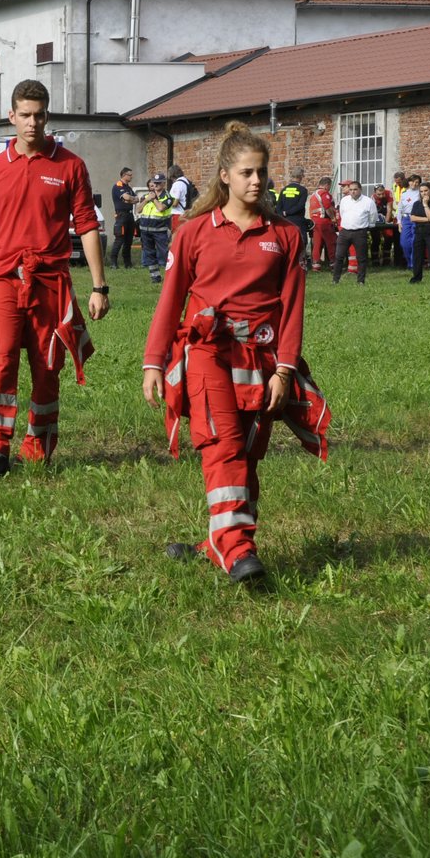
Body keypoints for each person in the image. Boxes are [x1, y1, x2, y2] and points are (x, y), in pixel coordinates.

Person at [142, 122, 329, 585]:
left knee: (246, 454)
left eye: (262, 172)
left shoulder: (286, 235)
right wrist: (153, 361)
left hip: (262, 362)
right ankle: (238, 549)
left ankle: (216, 543)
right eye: (246, 172)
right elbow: (171, 300)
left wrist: (285, 371)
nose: (257, 181)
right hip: (207, 352)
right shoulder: (192, 232)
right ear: (224, 175)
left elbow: (292, 310)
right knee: (221, 444)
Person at [0, 79, 109, 474]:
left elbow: (88, 225)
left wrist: (99, 286)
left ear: (47, 117)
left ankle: (38, 446)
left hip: (50, 282)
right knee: (2, 359)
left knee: (47, 366)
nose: (32, 123)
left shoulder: (70, 165)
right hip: (4, 278)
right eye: (24, 115)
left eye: (39, 115)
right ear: (11, 116)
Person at [332, 179, 375, 285]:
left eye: (355, 189)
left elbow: (373, 217)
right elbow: (342, 214)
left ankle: (360, 280)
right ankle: (335, 280)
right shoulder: (344, 200)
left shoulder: (368, 201)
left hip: (360, 232)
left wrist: (365, 227)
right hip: (345, 231)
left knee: (361, 258)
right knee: (339, 256)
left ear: (360, 190)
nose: (353, 192)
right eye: (351, 190)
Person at [136, 173, 173, 284]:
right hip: (145, 230)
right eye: (154, 182)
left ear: (163, 183)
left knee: (165, 254)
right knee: (149, 254)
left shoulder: (168, 197)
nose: (155, 185)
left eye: (158, 183)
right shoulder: (147, 196)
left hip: (160, 231)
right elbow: (138, 209)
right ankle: (155, 277)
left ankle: (171, 277)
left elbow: (161, 208)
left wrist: (154, 199)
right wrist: (147, 200)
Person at [409, 180, 430, 283]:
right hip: (419, 231)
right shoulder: (416, 204)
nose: (424, 193)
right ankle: (416, 278)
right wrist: (429, 219)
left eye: (426, 190)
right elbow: (413, 218)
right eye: (421, 191)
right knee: (417, 256)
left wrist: (425, 205)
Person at [276, 168, 310, 270]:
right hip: (297, 220)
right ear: (301, 177)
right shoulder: (303, 190)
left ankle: (285, 263)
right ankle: (300, 264)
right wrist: (289, 212)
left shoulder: (284, 189)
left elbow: (278, 206)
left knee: (285, 241)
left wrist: (282, 214)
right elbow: (300, 206)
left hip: (285, 221)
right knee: (301, 241)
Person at [108, 168, 138, 268]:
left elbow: (136, 199)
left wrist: (130, 200)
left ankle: (128, 264)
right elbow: (127, 198)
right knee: (119, 239)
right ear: (124, 175)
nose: (131, 176)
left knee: (129, 240)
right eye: (130, 175)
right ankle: (113, 263)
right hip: (121, 216)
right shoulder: (118, 186)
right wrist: (129, 199)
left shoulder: (128, 188)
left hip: (130, 215)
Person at [307, 175, 337, 270]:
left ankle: (316, 265)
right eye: (329, 186)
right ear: (327, 185)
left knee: (317, 244)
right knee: (331, 242)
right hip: (324, 221)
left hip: (315, 222)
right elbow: (327, 207)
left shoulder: (313, 195)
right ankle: (333, 263)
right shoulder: (324, 193)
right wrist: (333, 217)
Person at [397, 173, 422, 267]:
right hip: (406, 219)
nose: (414, 184)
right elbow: (399, 208)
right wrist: (399, 222)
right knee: (404, 243)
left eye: (417, 182)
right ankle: (409, 261)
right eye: (412, 181)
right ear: (409, 182)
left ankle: (414, 264)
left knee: (414, 242)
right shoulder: (404, 194)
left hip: (416, 218)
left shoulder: (420, 194)